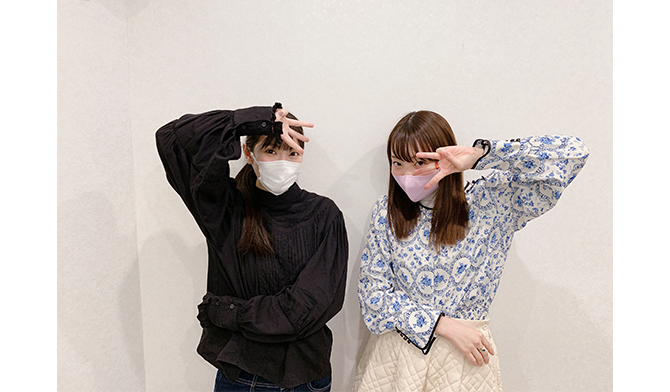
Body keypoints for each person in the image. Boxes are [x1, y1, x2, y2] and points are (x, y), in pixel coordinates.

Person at [353, 110, 589, 391]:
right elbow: (373, 296)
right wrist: (441, 325)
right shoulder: (387, 212)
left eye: (420, 162)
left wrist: (480, 156)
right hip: (397, 357)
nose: (407, 174)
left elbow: (572, 154)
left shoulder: (491, 202)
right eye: (398, 163)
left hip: (463, 361)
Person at [156, 102, 348, 391]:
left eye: (292, 152)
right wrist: (255, 120)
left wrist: (230, 313)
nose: (282, 161)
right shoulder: (225, 208)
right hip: (240, 377)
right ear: (248, 153)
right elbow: (172, 139)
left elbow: (305, 309)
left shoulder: (324, 214)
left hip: (305, 377)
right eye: (270, 151)